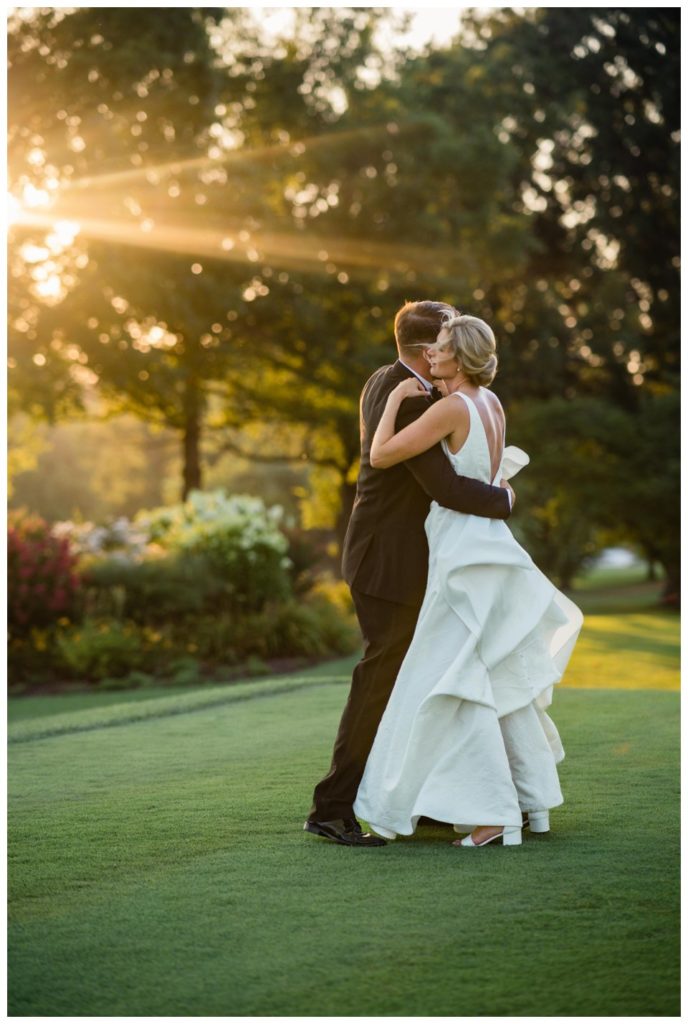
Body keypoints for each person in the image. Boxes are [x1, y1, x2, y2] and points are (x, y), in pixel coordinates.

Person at [353, 311, 583, 848]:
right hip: (490, 545)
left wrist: (389, 404)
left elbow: (381, 454)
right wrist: (502, 499)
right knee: (495, 677)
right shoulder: (491, 403)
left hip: (460, 548)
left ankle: (492, 815)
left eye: (439, 347)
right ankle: (532, 804)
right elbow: (493, 473)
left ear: (458, 355)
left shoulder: (452, 406)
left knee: (456, 682)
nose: (431, 353)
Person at [304, 300, 515, 847]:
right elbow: (442, 486)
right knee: (379, 681)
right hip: (387, 561)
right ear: (429, 351)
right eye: (443, 340)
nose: (448, 348)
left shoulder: (398, 381)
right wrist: (505, 500)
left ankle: (424, 799)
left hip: (408, 557)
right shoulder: (410, 396)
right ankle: (332, 809)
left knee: (416, 681)